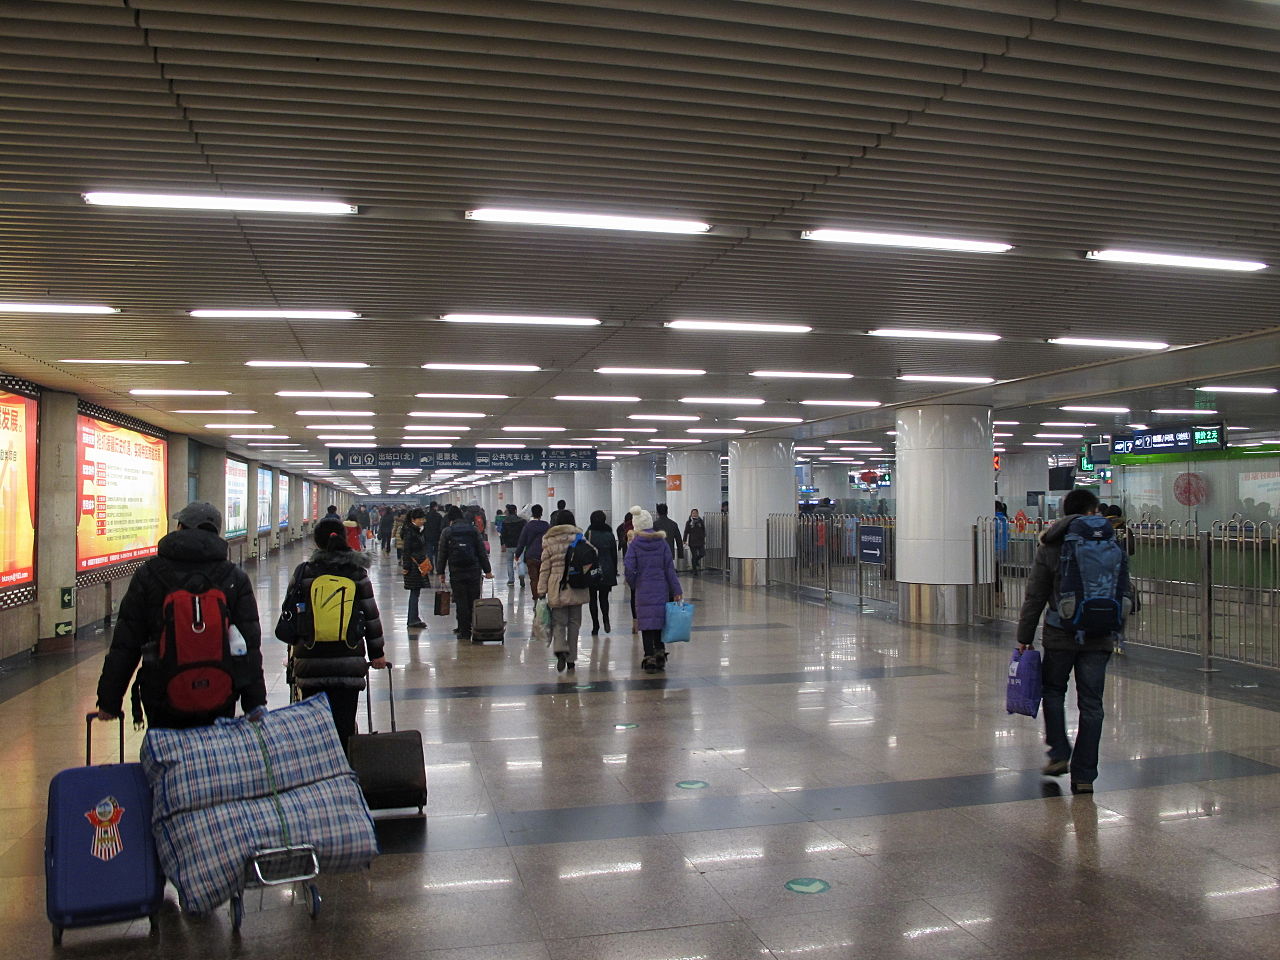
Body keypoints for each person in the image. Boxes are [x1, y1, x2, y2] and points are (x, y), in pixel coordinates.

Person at [96, 501, 267, 728]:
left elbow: (126, 642)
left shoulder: (149, 575)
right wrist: (254, 702)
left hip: (162, 691)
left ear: (180, 528)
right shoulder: (233, 577)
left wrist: (109, 700)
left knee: (167, 755)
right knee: (216, 753)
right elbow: (248, 645)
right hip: (220, 688)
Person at [1017, 488, 1132, 794]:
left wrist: (1024, 637)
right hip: (1100, 635)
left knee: (1053, 691)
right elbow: (1127, 592)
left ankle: (1058, 752)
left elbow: (1036, 595)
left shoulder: (1051, 544)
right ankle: (1084, 776)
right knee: (1092, 704)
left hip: (1059, 633)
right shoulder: (1110, 542)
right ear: (1093, 510)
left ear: (1064, 512)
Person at [281, 517, 387, 750]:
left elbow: (290, 613)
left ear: (316, 543)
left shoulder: (304, 573)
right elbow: (371, 615)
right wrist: (377, 653)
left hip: (310, 661)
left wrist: (293, 648)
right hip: (348, 661)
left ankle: (319, 772)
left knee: (314, 726)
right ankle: (345, 770)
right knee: (344, 723)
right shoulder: (357, 574)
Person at [624, 506, 683, 673]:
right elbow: (669, 568)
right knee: (658, 621)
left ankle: (649, 656)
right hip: (661, 588)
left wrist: (634, 583)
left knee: (646, 623)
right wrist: (677, 590)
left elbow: (629, 568)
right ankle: (660, 652)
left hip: (643, 589)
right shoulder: (662, 543)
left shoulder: (635, 544)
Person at [536, 510, 597, 673]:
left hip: (557, 586)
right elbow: (593, 554)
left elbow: (544, 568)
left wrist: (541, 590)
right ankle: (571, 660)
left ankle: (561, 650)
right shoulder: (579, 537)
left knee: (559, 622)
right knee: (574, 624)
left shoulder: (549, 540)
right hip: (577, 584)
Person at [438, 505, 494, 640]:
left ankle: (464, 631)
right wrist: (488, 571)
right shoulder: (473, 530)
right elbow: (481, 552)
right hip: (474, 570)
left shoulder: (447, 532)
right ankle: (475, 626)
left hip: (456, 571)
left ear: (450, 519)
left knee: (461, 601)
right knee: (474, 600)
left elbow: (442, 553)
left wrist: (441, 572)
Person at [585, 510, 618, 634]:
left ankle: (595, 626)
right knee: (604, 598)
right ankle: (606, 619)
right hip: (607, 569)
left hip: (592, 569)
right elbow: (614, 554)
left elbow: (584, 552)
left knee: (592, 599)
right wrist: (614, 570)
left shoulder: (588, 533)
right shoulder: (609, 535)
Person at [401, 507, 431, 628]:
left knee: (416, 592)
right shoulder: (410, 532)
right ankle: (412, 619)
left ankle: (414, 617)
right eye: (420, 519)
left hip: (418, 564)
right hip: (414, 566)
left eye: (423, 519)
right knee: (414, 592)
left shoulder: (417, 530)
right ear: (413, 519)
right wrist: (406, 566)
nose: (423, 521)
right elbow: (406, 551)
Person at [513, 504, 550, 598]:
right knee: (544, 578)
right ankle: (542, 597)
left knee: (534, 579)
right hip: (544, 556)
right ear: (541, 513)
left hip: (531, 556)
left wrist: (517, 555)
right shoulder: (546, 526)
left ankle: (536, 600)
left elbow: (522, 542)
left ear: (532, 513)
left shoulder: (528, 526)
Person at [499, 503, 527, 585]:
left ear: (508, 511)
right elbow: (525, 533)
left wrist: (502, 544)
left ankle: (511, 580)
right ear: (515, 511)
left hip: (509, 545)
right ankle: (521, 574)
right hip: (519, 544)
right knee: (520, 561)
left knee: (509, 562)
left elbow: (502, 534)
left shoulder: (505, 521)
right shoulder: (522, 521)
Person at [684, 508, 706, 573]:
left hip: (700, 541)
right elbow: (686, 531)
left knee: (702, 553)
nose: (694, 514)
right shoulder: (689, 522)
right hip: (692, 542)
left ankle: (696, 561)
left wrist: (703, 536)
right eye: (693, 513)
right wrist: (684, 540)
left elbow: (703, 529)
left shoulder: (700, 521)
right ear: (691, 514)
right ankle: (694, 570)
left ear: (697, 514)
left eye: (696, 513)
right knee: (694, 555)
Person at [422, 501, 445, 566]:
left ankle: (430, 567)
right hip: (437, 536)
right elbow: (441, 526)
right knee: (437, 553)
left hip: (428, 536)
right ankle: (437, 567)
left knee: (429, 553)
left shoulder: (426, 516)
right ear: (435, 507)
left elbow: (423, 526)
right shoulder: (439, 516)